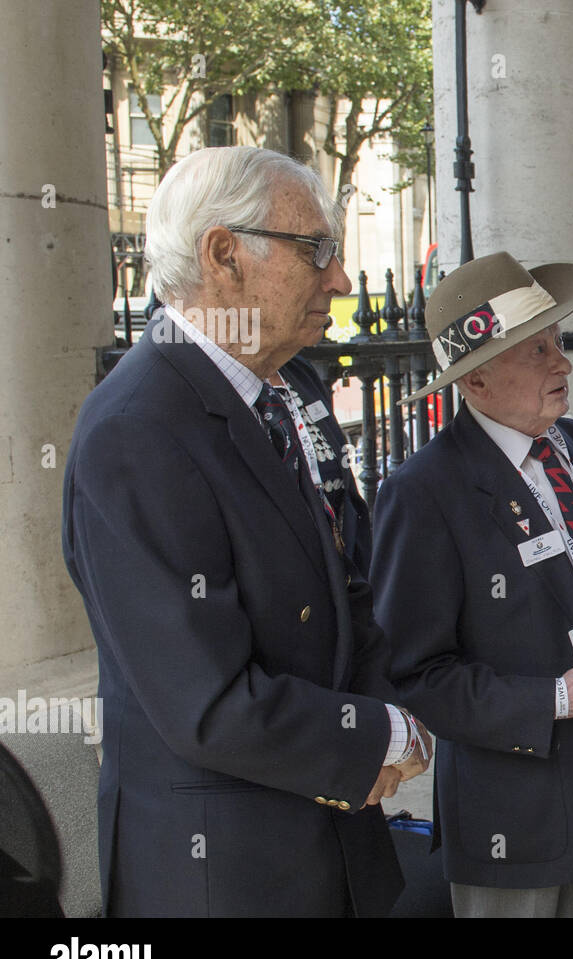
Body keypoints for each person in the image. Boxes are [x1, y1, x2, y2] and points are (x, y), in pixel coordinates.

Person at [62, 146, 429, 916]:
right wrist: (379, 736)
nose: (339, 278)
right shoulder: (137, 428)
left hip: (329, 840)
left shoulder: (277, 387)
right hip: (228, 873)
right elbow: (208, 701)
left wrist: (386, 721)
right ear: (223, 254)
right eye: (315, 249)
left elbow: (344, 581)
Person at [370, 251, 573, 917]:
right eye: (534, 351)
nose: (560, 363)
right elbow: (413, 675)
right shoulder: (424, 493)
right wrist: (554, 697)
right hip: (512, 820)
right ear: (474, 382)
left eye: (558, 341)